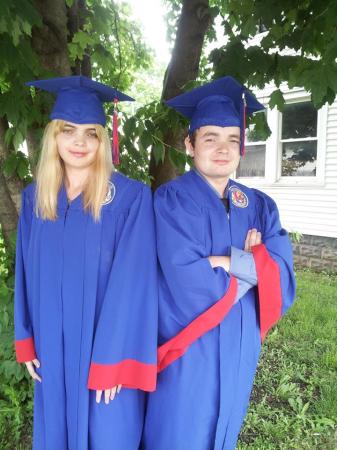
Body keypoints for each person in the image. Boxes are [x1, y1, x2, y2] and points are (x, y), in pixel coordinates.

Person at [142, 76, 296, 450]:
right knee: (178, 433)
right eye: (210, 138)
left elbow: (282, 276)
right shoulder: (170, 201)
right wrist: (250, 262)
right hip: (190, 349)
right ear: (190, 144)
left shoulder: (260, 205)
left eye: (232, 139)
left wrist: (223, 262)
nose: (223, 148)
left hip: (241, 349)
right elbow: (185, 278)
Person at [14, 75, 158, 450]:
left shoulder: (129, 199)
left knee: (108, 436)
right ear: (53, 137)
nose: (78, 141)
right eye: (68, 130)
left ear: (103, 140)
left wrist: (114, 362)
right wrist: (26, 339)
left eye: (90, 133)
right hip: (52, 350)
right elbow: (26, 274)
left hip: (104, 356)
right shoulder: (34, 200)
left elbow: (134, 282)